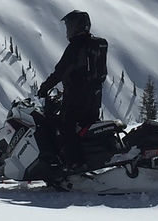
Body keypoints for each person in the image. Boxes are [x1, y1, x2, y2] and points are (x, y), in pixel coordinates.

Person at [37, 10, 107, 170]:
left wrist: (44, 88)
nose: (68, 30)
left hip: (77, 96)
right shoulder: (97, 44)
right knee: (86, 126)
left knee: (65, 126)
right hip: (95, 96)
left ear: (77, 26)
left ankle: (74, 163)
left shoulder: (76, 47)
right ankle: (91, 158)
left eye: (69, 26)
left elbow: (60, 71)